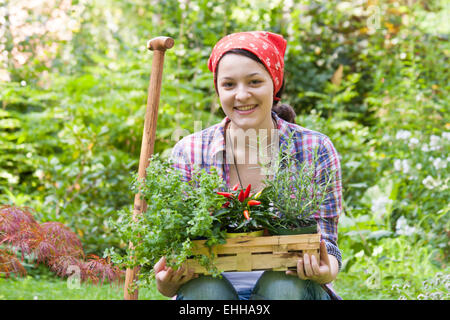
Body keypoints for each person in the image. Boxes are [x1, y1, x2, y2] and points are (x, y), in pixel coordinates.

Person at [154, 31, 343, 300]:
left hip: (293, 288)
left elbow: (328, 241)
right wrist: (167, 283)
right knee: (205, 291)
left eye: (254, 81)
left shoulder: (314, 148)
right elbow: (174, 247)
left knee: (282, 287)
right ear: (218, 89)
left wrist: (326, 271)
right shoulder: (190, 151)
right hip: (211, 288)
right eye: (229, 85)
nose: (242, 95)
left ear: (274, 85)